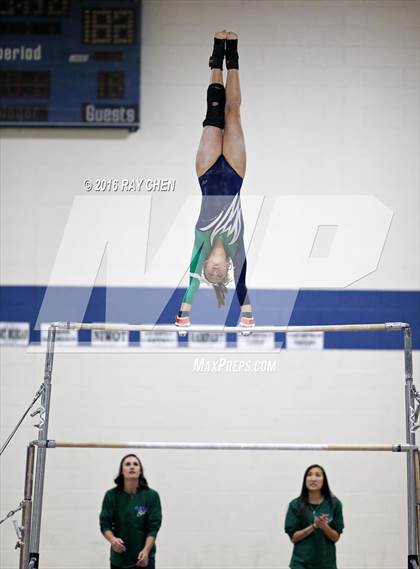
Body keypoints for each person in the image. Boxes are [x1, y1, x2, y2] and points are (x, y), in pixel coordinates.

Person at [175, 31, 254, 329]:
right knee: (233, 113)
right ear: (227, 269)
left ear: (206, 266)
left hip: (207, 173)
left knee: (214, 112)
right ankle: (231, 55)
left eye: (212, 273)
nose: (218, 271)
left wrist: (184, 314)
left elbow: (191, 284)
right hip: (235, 173)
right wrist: (246, 315)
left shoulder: (201, 243)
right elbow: (244, 284)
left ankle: (214, 56)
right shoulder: (236, 246)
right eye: (222, 275)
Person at [100, 454, 162, 569]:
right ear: (122, 471)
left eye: (135, 464)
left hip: (144, 557)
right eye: (128, 464)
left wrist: (146, 551)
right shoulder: (111, 496)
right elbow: (105, 524)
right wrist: (112, 540)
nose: (132, 467)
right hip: (120, 559)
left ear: (140, 471)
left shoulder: (152, 496)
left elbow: (153, 528)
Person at [284, 464, 344, 569]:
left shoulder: (334, 504)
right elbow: (294, 538)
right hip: (301, 564)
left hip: (326, 564)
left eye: (318, 475)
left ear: (324, 480)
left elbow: (335, 537)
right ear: (305, 480)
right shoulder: (295, 504)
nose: (313, 478)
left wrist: (324, 527)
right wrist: (314, 526)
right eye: (309, 475)